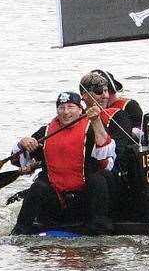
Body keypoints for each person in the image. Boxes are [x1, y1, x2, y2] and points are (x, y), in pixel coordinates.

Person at [10, 91, 117, 235]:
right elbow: (16, 161)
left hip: (85, 200)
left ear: (80, 109)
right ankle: (20, 230)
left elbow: (107, 157)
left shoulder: (91, 128)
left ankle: (100, 226)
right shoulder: (46, 131)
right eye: (61, 108)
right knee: (37, 187)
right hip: (57, 201)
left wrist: (96, 121)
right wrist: (23, 143)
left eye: (70, 107)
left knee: (99, 179)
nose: (66, 112)